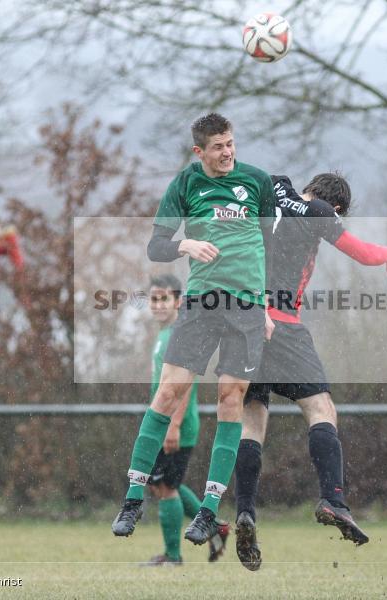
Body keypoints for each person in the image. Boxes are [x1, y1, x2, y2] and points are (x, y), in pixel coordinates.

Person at [112, 113, 277, 547]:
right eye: (218, 147)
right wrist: (184, 243)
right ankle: (132, 498)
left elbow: (269, 249)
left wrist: (266, 306)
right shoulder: (186, 185)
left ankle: (208, 510)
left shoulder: (258, 183)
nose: (228, 152)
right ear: (198, 151)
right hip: (202, 303)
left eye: (231, 143)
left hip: (246, 306)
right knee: (168, 394)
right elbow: (156, 245)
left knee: (230, 399)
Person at [234, 172, 387, 571]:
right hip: (284, 325)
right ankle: (334, 497)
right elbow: (361, 253)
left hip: (245, 322)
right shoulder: (319, 212)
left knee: (251, 418)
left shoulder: (272, 187)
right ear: (339, 207)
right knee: (320, 409)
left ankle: (245, 511)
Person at [141, 274, 230, 566]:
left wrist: (174, 425)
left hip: (176, 425)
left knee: (165, 487)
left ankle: (173, 556)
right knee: (164, 484)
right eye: (154, 299)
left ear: (178, 301)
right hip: (164, 424)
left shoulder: (179, 334)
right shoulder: (165, 334)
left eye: (164, 298)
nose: (158, 305)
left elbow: (185, 387)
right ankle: (214, 526)